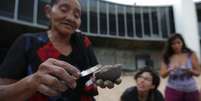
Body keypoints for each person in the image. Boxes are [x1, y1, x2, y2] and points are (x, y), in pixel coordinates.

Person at [0, 0, 119, 101]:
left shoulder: (83, 42)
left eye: (77, 15)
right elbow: (2, 93)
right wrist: (32, 82)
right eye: (64, 9)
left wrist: (102, 76)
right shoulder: (27, 42)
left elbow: (94, 72)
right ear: (48, 11)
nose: (71, 18)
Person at [160, 33, 201, 101]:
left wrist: (190, 70)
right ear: (170, 45)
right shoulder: (166, 56)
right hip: (173, 90)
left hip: (191, 90)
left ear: (182, 43)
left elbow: (198, 73)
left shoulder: (191, 54)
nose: (176, 45)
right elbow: (162, 75)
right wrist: (170, 69)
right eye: (173, 43)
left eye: (178, 42)